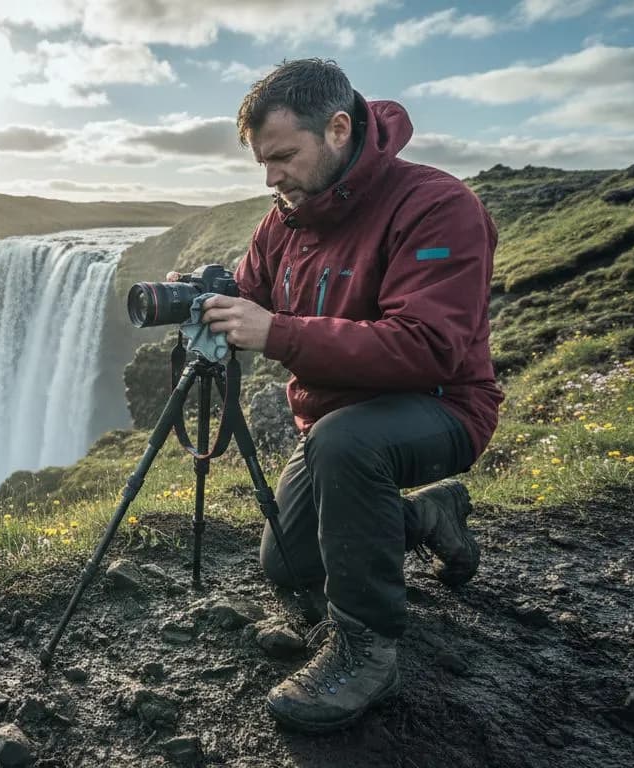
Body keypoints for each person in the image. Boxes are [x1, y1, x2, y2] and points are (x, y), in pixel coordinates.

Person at [177, 58, 504, 733]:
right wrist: (201, 300)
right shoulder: (285, 220)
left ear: (336, 129)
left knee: (345, 441)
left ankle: (366, 654)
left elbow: (429, 345)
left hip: (440, 406)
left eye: (283, 158)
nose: (271, 179)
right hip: (336, 427)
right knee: (290, 564)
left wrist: (278, 333)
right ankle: (427, 517)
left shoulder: (437, 206)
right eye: (262, 163)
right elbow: (252, 293)